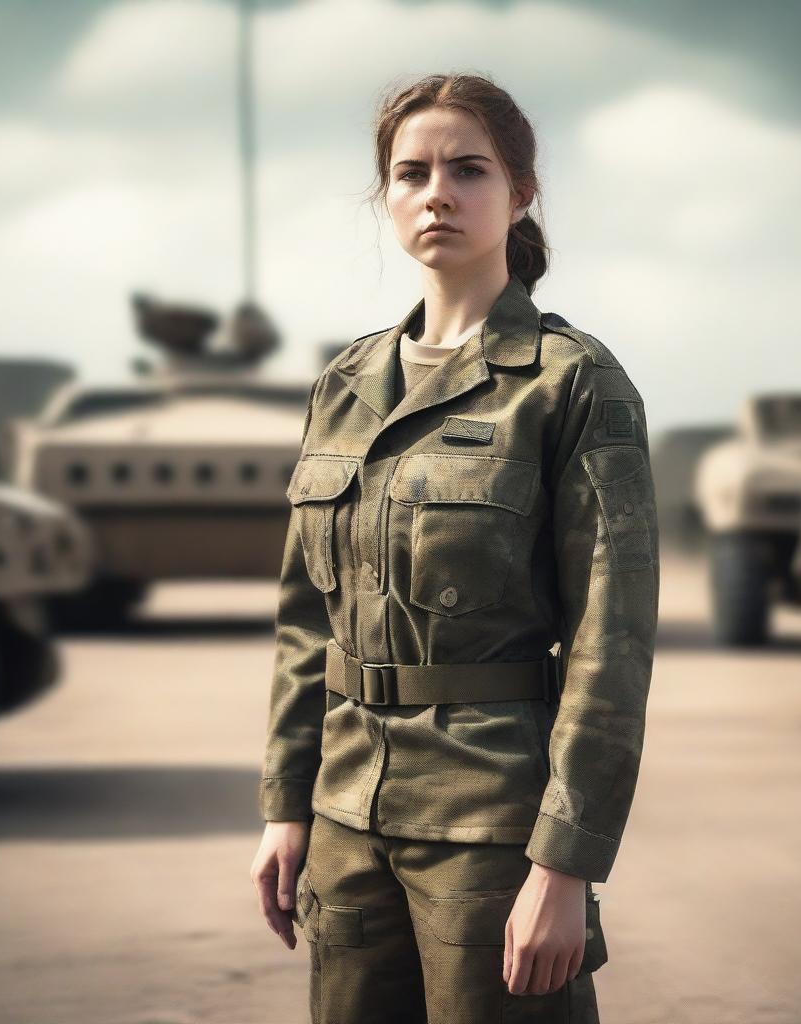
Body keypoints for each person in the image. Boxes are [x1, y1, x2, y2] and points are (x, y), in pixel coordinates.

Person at [250, 72, 659, 1024]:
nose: (438, 191)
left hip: (491, 828)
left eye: (469, 169)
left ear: (519, 193)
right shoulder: (346, 382)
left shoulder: (571, 383)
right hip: (348, 817)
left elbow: (613, 645)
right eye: (412, 171)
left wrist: (564, 862)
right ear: (388, 198)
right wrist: (288, 803)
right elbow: (305, 621)